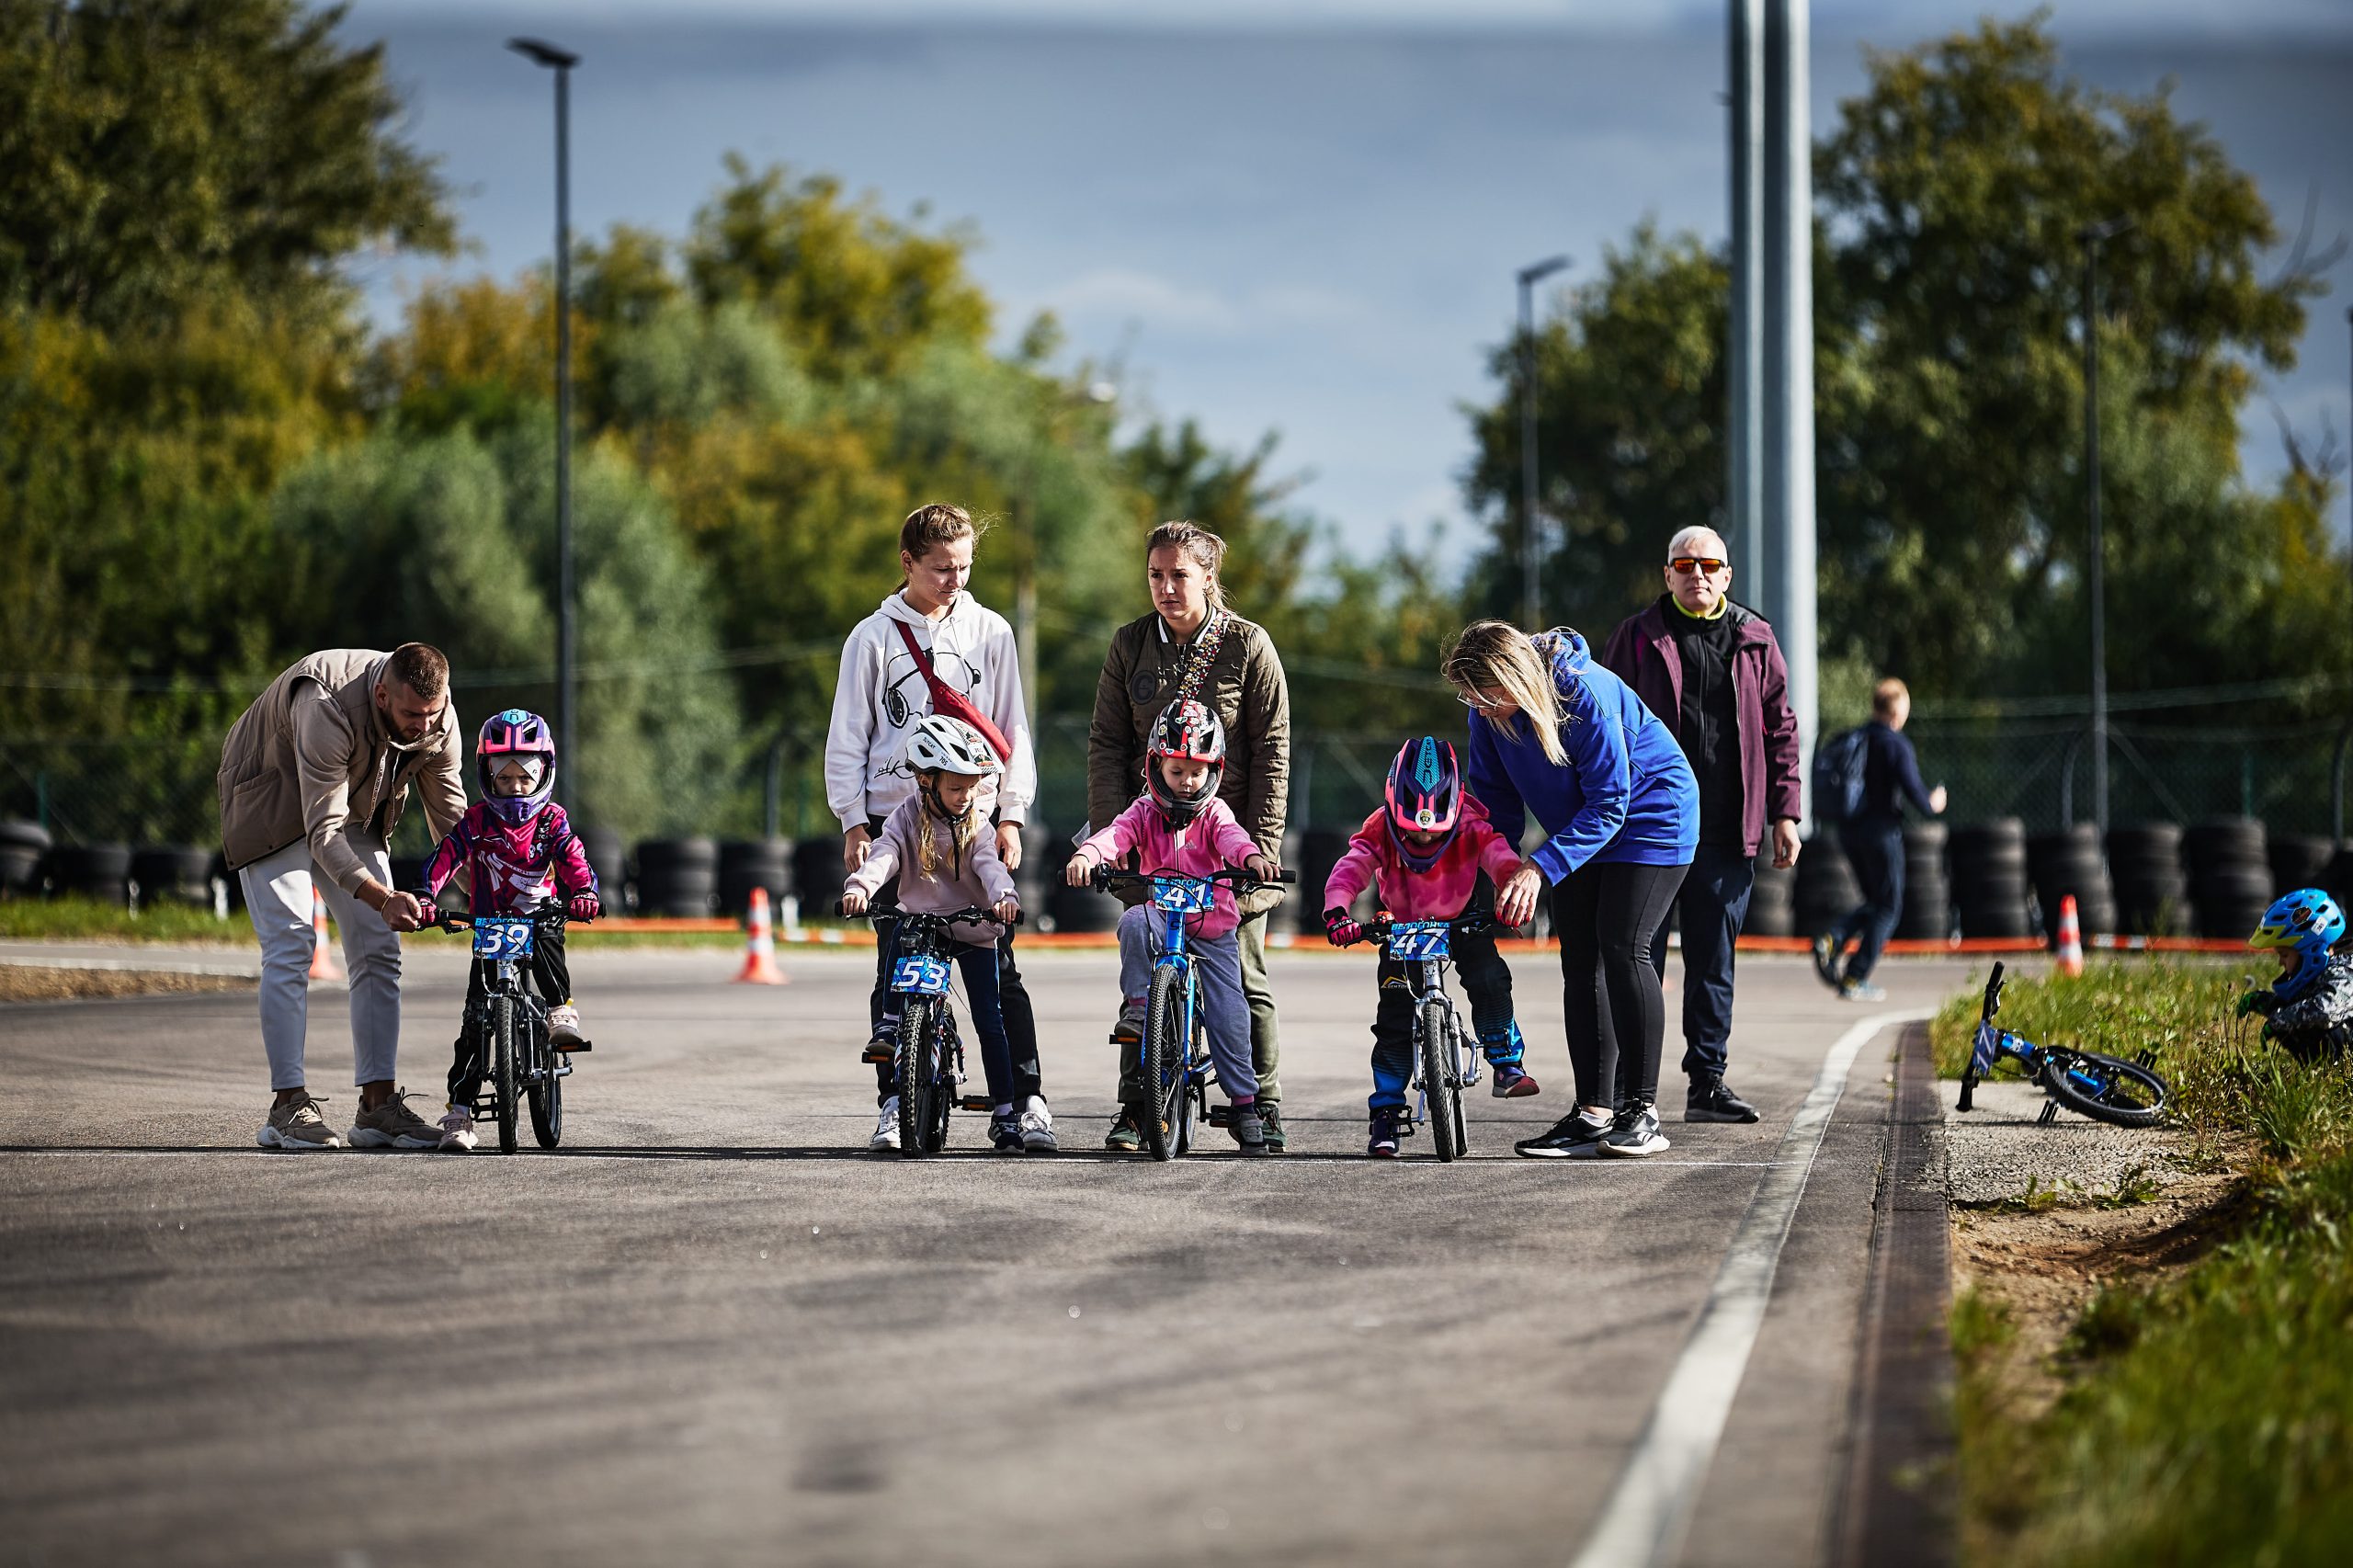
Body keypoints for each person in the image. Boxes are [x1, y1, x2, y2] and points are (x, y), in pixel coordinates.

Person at [826, 504, 1051, 1152]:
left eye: (964, 567)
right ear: (907, 562)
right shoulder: (872, 637)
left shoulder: (992, 632)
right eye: (941, 569)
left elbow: (1013, 729)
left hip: (975, 819)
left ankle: (1026, 1100)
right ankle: (895, 1102)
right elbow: (849, 735)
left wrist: (1011, 814)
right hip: (895, 821)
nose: (955, 580)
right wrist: (853, 821)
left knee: (998, 972)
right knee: (894, 967)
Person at [1444, 620, 1699, 1160]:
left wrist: (1538, 869)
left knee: (1622, 946)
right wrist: (1493, 870)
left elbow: (1612, 801)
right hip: (1581, 825)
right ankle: (1593, 1113)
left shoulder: (1581, 693)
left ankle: (1642, 1113)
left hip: (1653, 815)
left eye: (1486, 693)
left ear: (1515, 676)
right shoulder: (1486, 715)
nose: (1479, 706)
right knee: (1580, 960)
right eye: (1469, 695)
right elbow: (1496, 805)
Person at [1088, 521, 1292, 1152]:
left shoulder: (1248, 647)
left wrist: (1258, 853)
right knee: (1145, 981)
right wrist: (1110, 843)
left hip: (1228, 850)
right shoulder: (1129, 646)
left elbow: (1272, 752)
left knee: (1246, 978)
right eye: (1156, 575)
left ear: (1209, 576)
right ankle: (1136, 1107)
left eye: (1180, 574)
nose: (1167, 587)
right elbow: (1108, 746)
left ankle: (1260, 1104)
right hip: (1152, 842)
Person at [217, 644, 467, 1152]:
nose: (422, 725)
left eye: (431, 713)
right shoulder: (325, 703)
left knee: (379, 946)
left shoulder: (438, 716)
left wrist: (493, 882)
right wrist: (382, 896)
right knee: (292, 943)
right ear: (381, 695)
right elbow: (323, 833)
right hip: (270, 793)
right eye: (410, 714)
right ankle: (287, 1106)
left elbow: (451, 819)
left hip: (346, 801)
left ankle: (377, 1110)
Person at [1599, 525, 1802, 1126]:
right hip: (1651, 829)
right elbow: (1603, 727)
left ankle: (1706, 1085)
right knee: (1640, 958)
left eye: (1710, 565)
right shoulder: (1635, 639)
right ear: (1667, 574)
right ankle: (1626, 1093)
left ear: (1727, 575)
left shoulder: (1755, 638)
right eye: (1685, 564)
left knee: (1713, 962)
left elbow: (1782, 729)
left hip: (1726, 827)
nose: (1698, 574)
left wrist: (1785, 812)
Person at [1067, 699, 1279, 1157]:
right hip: (1164, 920)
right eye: (1177, 771)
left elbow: (1234, 839)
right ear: (1156, 765)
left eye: (1197, 772)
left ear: (1214, 770)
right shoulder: (1144, 810)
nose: (1186, 782)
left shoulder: (1215, 813)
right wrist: (1089, 854)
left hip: (1212, 927)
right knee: (1132, 921)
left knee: (1229, 1012)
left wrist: (1252, 859)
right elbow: (1117, 834)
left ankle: (1244, 1104)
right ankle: (1143, 1008)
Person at [1322, 736, 1538, 1159]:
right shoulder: (1379, 827)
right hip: (1401, 930)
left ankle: (1506, 1062)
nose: (1422, 840)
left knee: (1490, 978)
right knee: (1394, 1023)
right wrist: (1337, 912)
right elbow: (1351, 867)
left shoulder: (1473, 824)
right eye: (1412, 833)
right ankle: (1385, 1111)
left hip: (1460, 920)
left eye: (1432, 833)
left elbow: (1500, 857)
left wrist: (1512, 890)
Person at [412, 709, 601, 1153]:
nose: (514, 789)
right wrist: (425, 895)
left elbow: (574, 858)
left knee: (551, 940)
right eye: (504, 779)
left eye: (524, 778)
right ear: (487, 776)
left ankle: (560, 1010)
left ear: (543, 774)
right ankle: (458, 1113)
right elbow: (446, 855)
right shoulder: (477, 821)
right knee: (475, 1021)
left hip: (539, 917)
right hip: (487, 924)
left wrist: (585, 892)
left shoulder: (553, 821)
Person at [841, 715, 1032, 1153]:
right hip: (925, 922)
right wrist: (860, 888)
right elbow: (884, 857)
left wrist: (1005, 897)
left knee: (991, 1020)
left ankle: (1005, 1113)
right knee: (898, 929)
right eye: (956, 787)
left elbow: (990, 867)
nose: (967, 797)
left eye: (972, 786)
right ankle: (892, 1026)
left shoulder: (979, 825)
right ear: (925, 781)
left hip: (974, 925)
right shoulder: (904, 819)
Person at [1813, 678, 1946, 1003]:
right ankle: (1855, 976)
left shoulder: (1857, 738)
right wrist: (1934, 802)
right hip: (1881, 834)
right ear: (1898, 709)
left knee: (1876, 902)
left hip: (1848, 833)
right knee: (1890, 906)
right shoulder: (1895, 744)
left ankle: (1834, 937)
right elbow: (1916, 794)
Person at [2235, 889, 2353, 1062]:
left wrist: (2279, 1020)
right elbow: (2297, 1004)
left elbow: (2324, 1011)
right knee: (2294, 1017)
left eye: (2284, 955)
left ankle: (2331, 1072)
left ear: (2311, 950)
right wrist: (2267, 1003)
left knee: (2310, 1025)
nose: (2280, 963)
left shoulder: (2344, 972)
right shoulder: (2323, 973)